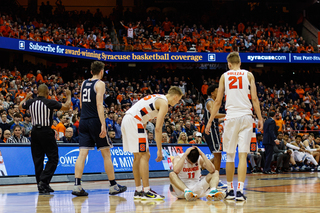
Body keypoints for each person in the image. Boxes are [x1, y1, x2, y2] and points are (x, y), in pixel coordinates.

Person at [205, 52, 263, 201]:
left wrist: (210, 120)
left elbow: (217, 102)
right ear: (240, 63)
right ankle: (240, 192)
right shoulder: (249, 75)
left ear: (229, 64)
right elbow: (255, 99)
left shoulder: (224, 76)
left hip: (230, 118)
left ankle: (230, 190)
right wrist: (260, 118)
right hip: (246, 117)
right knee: (243, 155)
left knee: (230, 156)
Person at [72, 61, 127, 196]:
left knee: (82, 154)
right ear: (101, 71)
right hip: (95, 120)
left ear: (91, 71)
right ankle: (113, 186)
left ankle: (77, 185)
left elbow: (80, 103)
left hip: (83, 120)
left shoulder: (84, 83)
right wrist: (103, 123)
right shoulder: (100, 84)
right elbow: (99, 104)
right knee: (106, 154)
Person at [121, 86, 183, 200]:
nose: (178, 102)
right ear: (175, 97)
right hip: (135, 121)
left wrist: (144, 123)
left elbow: (142, 109)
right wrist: (159, 149)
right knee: (145, 154)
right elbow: (158, 128)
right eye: (179, 99)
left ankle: (139, 190)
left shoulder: (158, 97)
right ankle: (147, 191)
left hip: (127, 119)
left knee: (137, 157)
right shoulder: (164, 103)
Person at [19, 84, 71, 194]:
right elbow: (66, 107)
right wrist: (69, 96)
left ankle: (42, 185)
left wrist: (27, 97)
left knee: (38, 160)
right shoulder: (49, 102)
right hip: (46, 132)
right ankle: (43, 181)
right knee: (53, 158)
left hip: (34, 133)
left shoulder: (30, 102)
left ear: (37, 92)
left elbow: (20, 106)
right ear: (47, 92)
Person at [204, 84, 227, 189]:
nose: (219, 93)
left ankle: (202, 166)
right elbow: (215, 114)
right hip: (212, 131)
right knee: (218, 154)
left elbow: (216, 118)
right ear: (212, 92)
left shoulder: (212, 102)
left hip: (214, 130)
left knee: (218, 155)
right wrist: (228, 114)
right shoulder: (210, 102)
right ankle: (215, 180)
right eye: (217, 91)